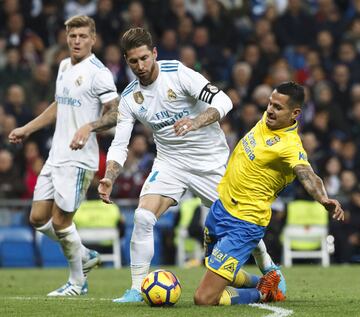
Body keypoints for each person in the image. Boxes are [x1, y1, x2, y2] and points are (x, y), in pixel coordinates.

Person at [97, 27, 285, 303]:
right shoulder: (129, 98)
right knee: (143, 217)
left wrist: (195, 122)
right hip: (171, 162)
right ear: (126, 61)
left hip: (211, 161)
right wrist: (109, 176)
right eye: (133, 61)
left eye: (144, 58)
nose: (140, 66)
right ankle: (137, 289)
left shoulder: (178, 73)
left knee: (240, 220)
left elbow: (224, 100)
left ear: (155, 54)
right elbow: (119, 143)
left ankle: (269, 269)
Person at [193, 82, 345, 306]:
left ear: (295, 113)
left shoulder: (290, 147)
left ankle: (264, 293)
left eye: (278, 107)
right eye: (270, 104)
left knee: (204, 299)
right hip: (221, 208)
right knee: (212, 265)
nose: (271, 110)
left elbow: (307, 174)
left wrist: (322, 198)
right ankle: (263, 282)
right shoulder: (266, 120)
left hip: (244, 221)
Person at [8, 15, 119, 296]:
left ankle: (77, 283)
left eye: (82, 36)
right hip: (55, 155)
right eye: (72, 36)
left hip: (80, 158)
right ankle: (84, 254)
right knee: (36, 218)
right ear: (66, 38)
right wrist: (27, 128)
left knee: (60, 222)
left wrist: (89, 126)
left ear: (93, 39)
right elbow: (59, 105)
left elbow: (116, 114)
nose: (77, 41)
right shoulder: (63, 66)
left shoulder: (99, 73)